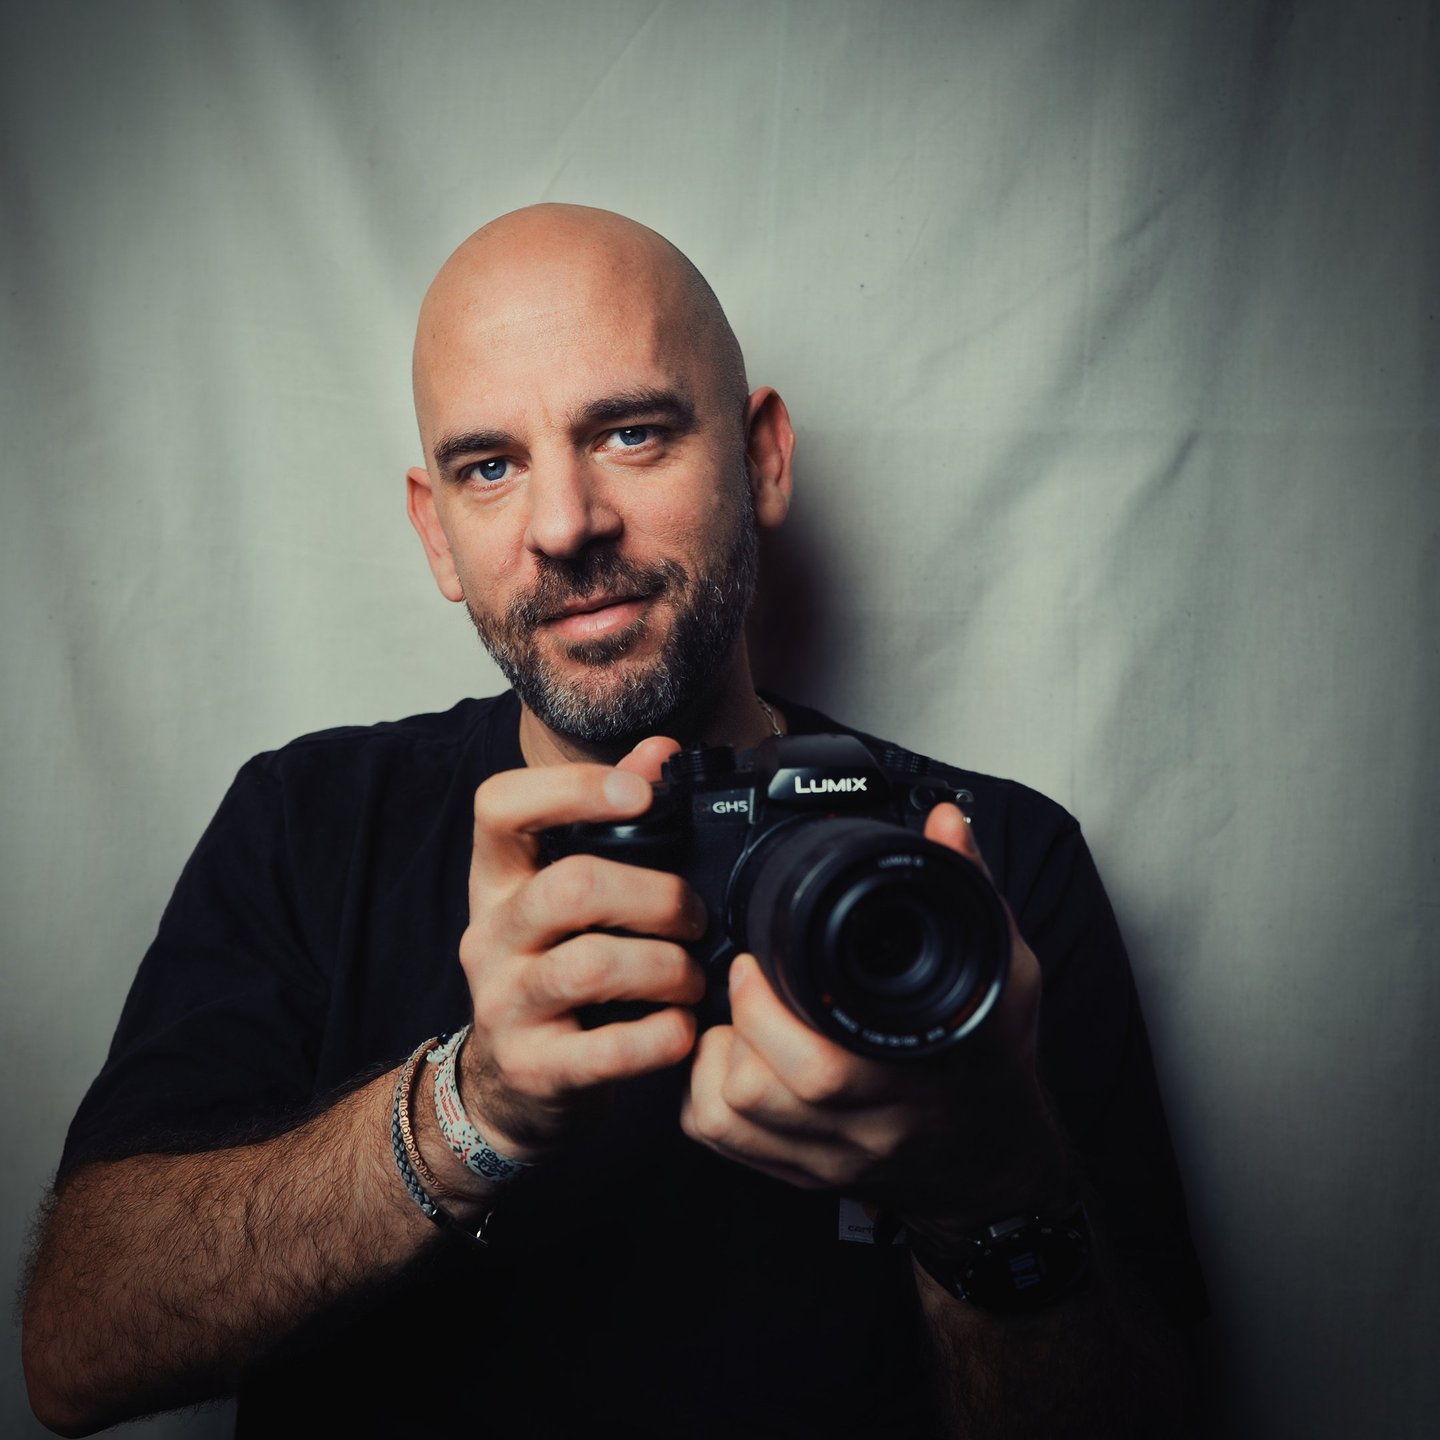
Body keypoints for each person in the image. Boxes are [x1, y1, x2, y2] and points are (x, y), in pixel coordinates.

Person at [22, 204, 1205, 1438]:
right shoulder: (308, 823)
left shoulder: (988, 863)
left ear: (762, 459)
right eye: (490, 467)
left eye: (631, 433)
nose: (564, 524)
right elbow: (74, 1352)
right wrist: (470, 1108)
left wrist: (982, 1182)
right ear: (436, 533)